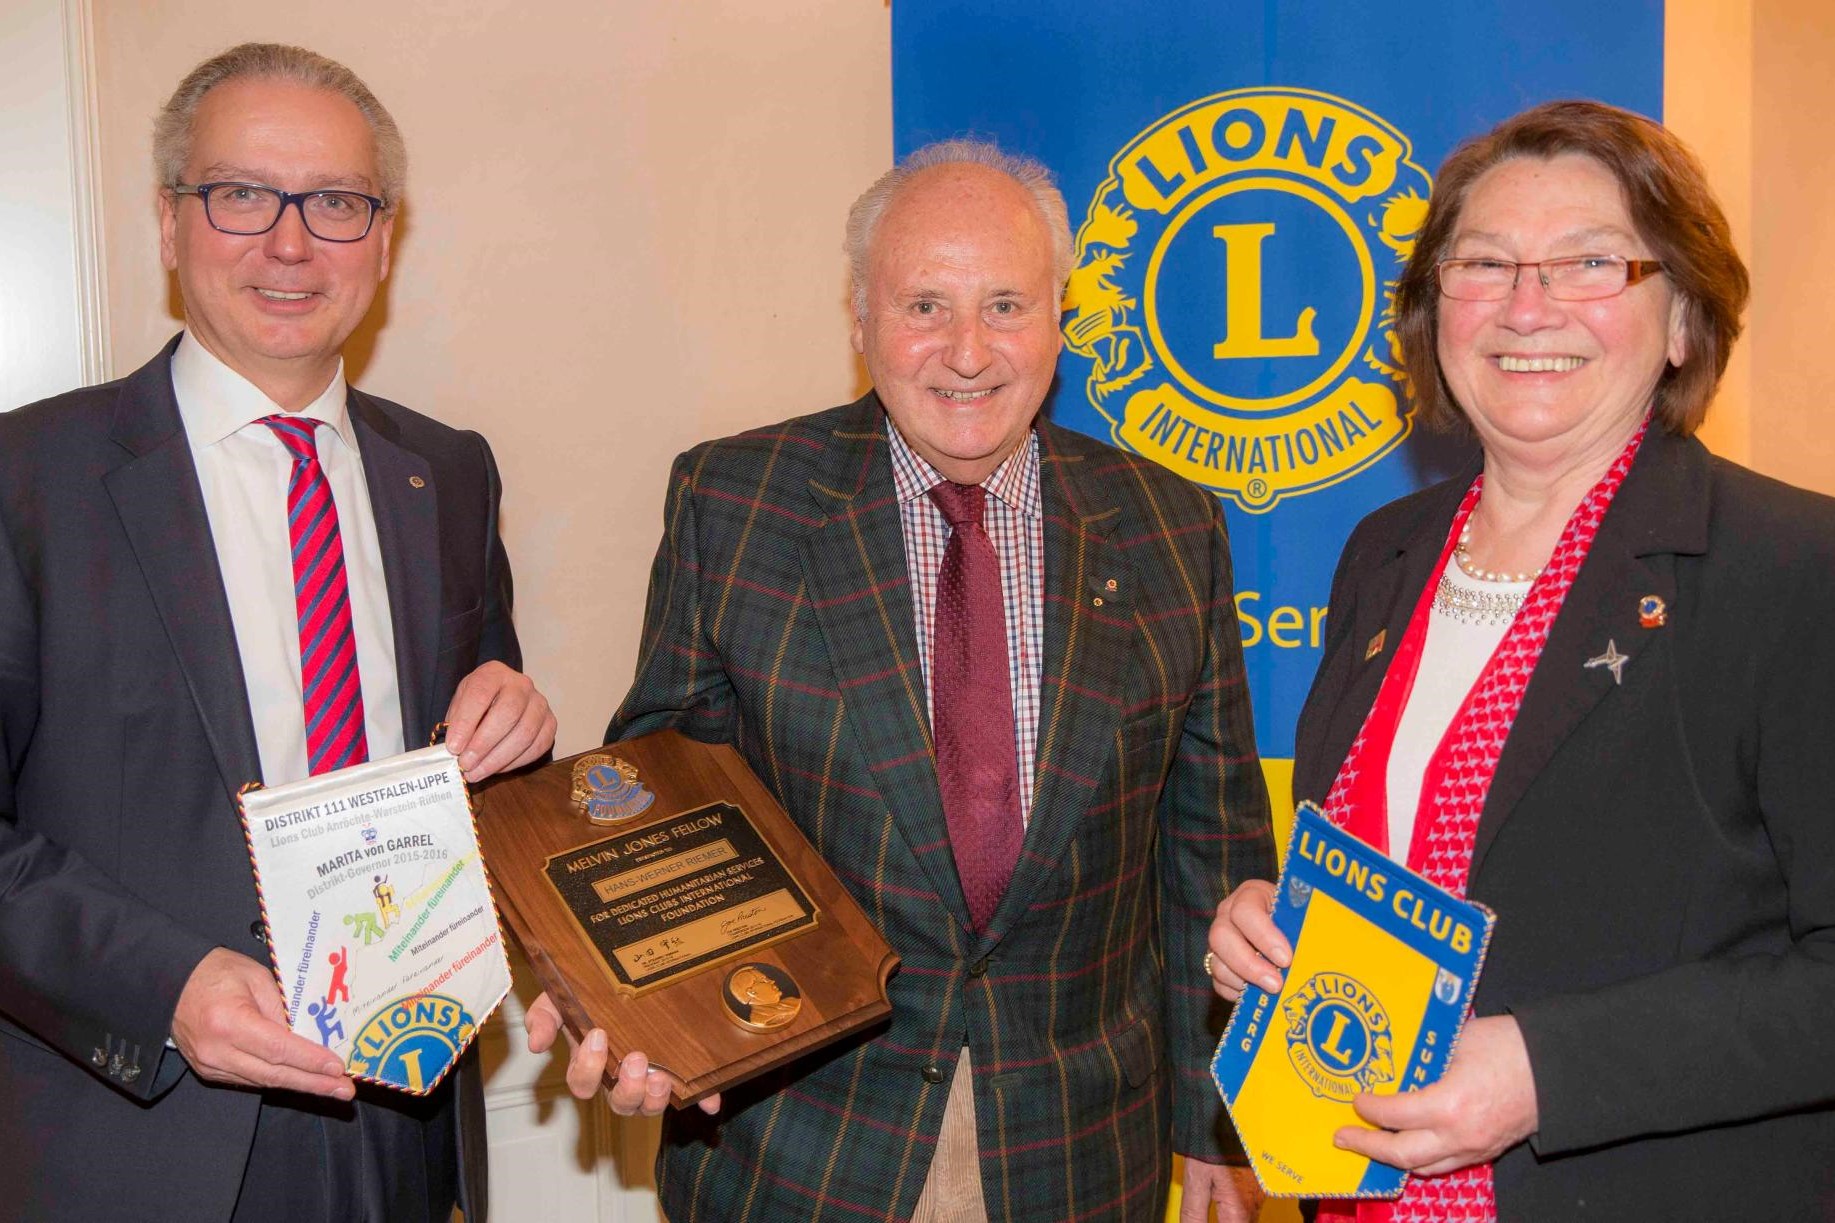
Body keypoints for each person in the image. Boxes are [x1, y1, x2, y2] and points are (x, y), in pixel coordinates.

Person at [526, 140, 1274, 1222]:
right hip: (796, 1149)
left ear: (1059, 317)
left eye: (1006, 303)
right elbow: (656, 809)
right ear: (860, 318)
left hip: (1077, 1151)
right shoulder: (734, 505)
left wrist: (1216, 1119)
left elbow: (1209, 855)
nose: (966, 351)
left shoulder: (1168, 523)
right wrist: (634, 1011)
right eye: (923, 303)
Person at [1206, 99, 1835, 1220]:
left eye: (1590, 261)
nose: (1525, 304)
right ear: (1430, 312)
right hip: (1353, 1191)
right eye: (1482, 262)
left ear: (1682, 317)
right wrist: (1272, 938)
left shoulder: (1792, 571)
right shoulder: (1382, 555)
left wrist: (1549, 1069)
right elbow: (1398, 872)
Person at [0, 43, 555, 1222]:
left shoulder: (447, 474)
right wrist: (166, 984)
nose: (291, 243)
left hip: (406, 1119)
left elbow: (474, 779)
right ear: (167, 221)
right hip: (143, 1136)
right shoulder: (24, 482)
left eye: (338, 203)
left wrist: (520, 724)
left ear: (386, 238)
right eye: (242, 194)